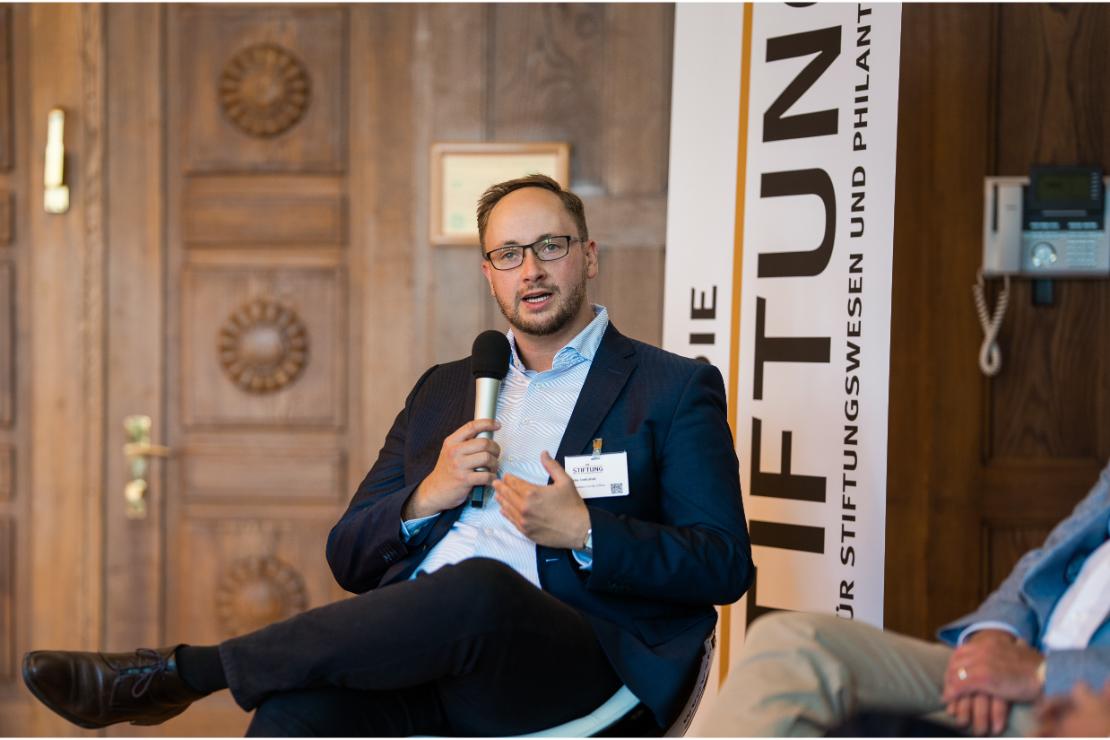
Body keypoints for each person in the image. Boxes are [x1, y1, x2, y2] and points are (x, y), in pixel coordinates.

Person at [22, 175, 753, 736]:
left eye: (550, 247)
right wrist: (427, 494)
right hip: (425, 653)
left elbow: (723, 564)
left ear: (588, 256)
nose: (530, 269)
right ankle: (183, 677)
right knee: (291, 716)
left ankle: (182, 673)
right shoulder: (446, 389)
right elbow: (349, 556)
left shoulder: (670, 388)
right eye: (508, 254)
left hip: (572, 667)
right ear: (489, 274)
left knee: (479, 589)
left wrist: (586, 531)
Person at [696, 461, 1110, 737]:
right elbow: (1051, 555)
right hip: (1023, 650)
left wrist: (1040, 674)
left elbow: (720, 562)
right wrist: (992, 637)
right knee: (790, 645)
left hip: (1083, 701)